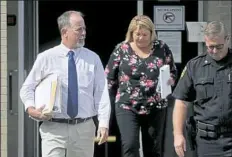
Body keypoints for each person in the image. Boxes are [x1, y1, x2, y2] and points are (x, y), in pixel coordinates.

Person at [20, 10, 111, 157]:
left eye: (84, 28)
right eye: (79, 29)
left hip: (84, 129)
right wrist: (31, 109)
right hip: (53, 128)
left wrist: (103, 123)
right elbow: (27, 88)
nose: (84, 33)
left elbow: (101, 93)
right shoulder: (46, 58)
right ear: (65, 32)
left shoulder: (93, 58)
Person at [105, 15, 177, 157]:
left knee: (153, 149)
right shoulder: (122, 49)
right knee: (130, 145)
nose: (141, 38)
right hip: (127, 105)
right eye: (137, 34)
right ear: (131, 34)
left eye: (145, 34)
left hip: (155, 105)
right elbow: (109, 78)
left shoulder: (161, 48)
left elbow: (172, 71)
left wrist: (170, 80)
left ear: (152, 33)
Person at [172, 21, 232, 157]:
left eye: (219, 46)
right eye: (210, 47)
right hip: (206, 141)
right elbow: (181, 101)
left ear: (228, 39)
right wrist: (178, 134)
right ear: (205, 42)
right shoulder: (195, 66)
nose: (215, 51)